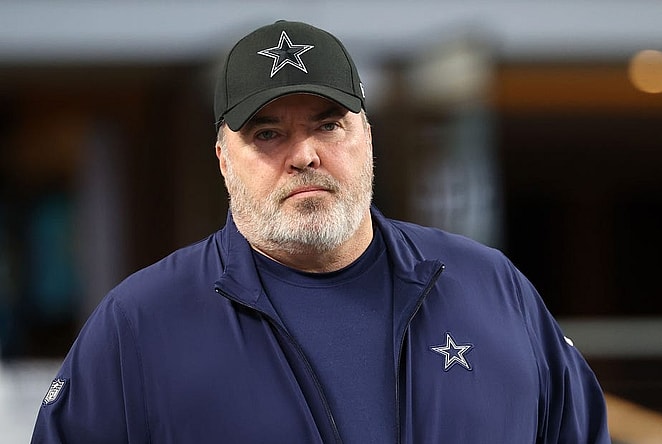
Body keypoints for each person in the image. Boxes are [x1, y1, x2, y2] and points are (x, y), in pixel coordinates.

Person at [31, 20, 610, 443]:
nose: (304, 154)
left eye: (328, 125)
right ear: (223, 160)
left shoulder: (491, 288)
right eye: (266, 134)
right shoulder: (140, 322)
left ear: (368, 139)